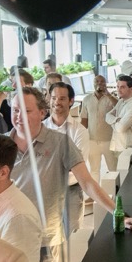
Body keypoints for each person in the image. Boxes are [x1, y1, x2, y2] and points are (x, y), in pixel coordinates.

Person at [9, 86, 132, 262]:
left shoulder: (60, 143)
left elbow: (87, 182)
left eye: (26, 111)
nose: (19, 116)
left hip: (45, 237)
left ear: (42, 112)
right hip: (9, 235)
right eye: (15, 110)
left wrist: (121, 215)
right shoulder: (0, 145)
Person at [44, 81, 89, 232]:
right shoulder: (41, 129)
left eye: (62, 98)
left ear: (71, 101)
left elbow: (77, 167)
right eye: (54, 97)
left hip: (71, 191)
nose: (57, 102)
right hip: (45, 193)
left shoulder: (79, 131)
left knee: (72, 237)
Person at [79, 74, 117, 172]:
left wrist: (108, 94)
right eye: (97, 81)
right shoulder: (87, 99)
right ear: (93, 84)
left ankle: (116, 187)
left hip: (108, 140)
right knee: (94, 170)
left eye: (102, 81)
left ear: (105, 84)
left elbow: (119, 108)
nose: (99, 83)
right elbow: (84, 120)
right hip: (92, 141)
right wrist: (81, 138)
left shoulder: (111, 98)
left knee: (113, 168)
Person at [105, 74, 132, 152]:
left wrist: (112, 121)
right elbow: (107, 116)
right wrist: (117, 120)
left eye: (122, 87)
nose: (118, 90)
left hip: (128, 150)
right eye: (118, 86)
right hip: (117, 147)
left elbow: (120, 128)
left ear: (131, 89)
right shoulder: (121, 101)